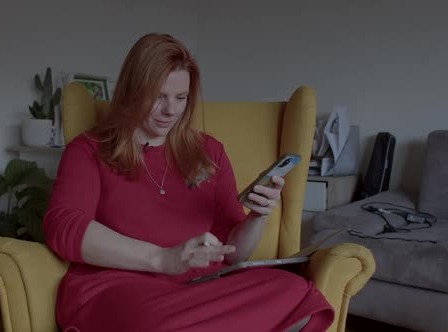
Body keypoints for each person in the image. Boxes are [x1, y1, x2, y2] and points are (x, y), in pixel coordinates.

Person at [43, 33, 334, 332]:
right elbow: (63, 227)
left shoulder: (209, 152)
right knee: (148, 322)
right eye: (158, 96)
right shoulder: (89, 149)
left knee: (296, 292)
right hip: (119, 286)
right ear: (132, 91)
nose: (171, 110)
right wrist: (161, 258)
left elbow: (233, 251)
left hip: (200, 285)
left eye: (180, 98)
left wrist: (258, 216)